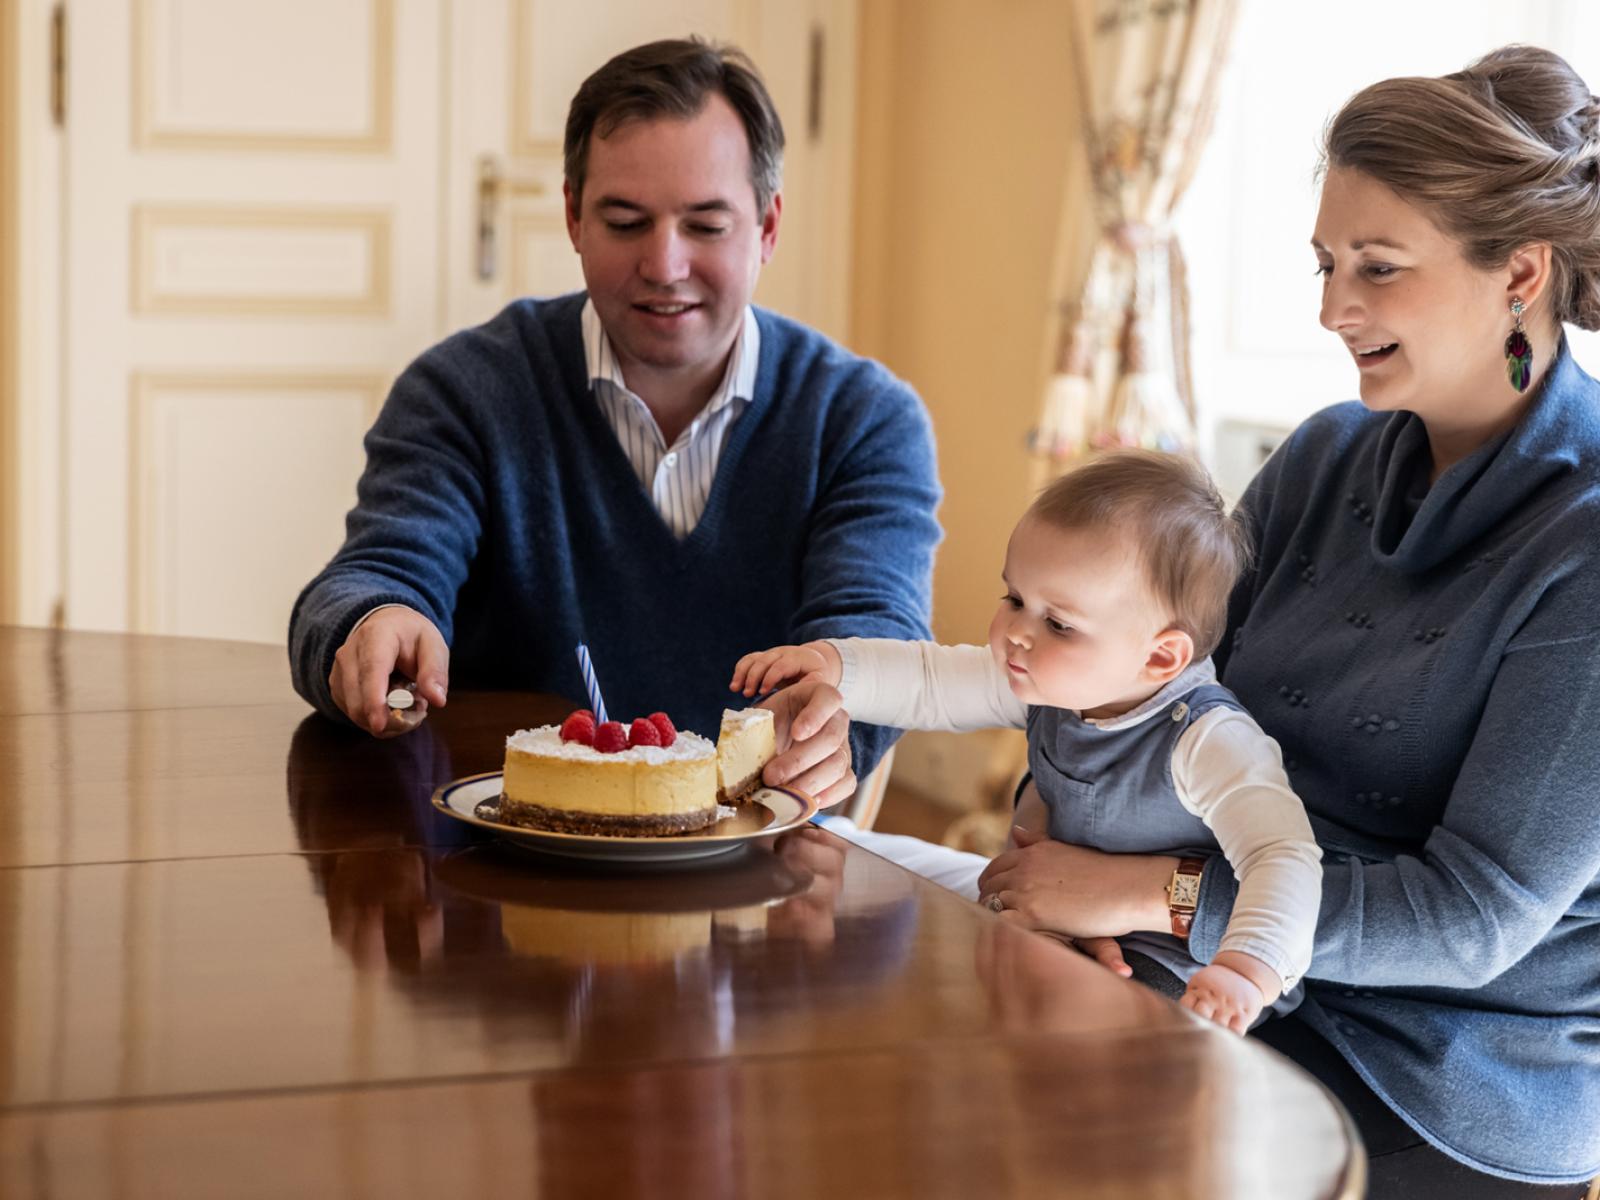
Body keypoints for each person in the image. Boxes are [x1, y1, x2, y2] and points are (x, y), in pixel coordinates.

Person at [884, 46, 1598, 1196]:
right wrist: (1050, 829)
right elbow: (1146, 689)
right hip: (1212, 971)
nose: (1331, 309)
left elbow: (1472, 922)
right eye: (1324, 263)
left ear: (1518, 273)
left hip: (1443, 1068)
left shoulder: (1584, 545)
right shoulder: (1319, 459)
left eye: (1376, 267)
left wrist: (1142, 892)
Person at [286, 38, 941, 808]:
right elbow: (372, 577)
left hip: (762, 854)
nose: (664, 265)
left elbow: (876, 640)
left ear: (767, 226)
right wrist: (371, 621)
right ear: (572, 216)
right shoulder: (464, 390)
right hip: (507, 855)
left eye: (705, 226)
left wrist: (840, 715)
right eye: (626, 221)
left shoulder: (864, 420)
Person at [732, 449, 1324, 1034]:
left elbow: (1281, 855)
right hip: (1054, 911)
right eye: (1014, 598)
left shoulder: (1208, 740)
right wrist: (832, 664)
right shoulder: (1050, 682)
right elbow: (930, 681)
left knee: (1100, 1039)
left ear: (1160, 656)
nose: (1017, 633)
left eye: (1058, 623)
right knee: (969, 983)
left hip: (1176, 959)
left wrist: (1248, 970)